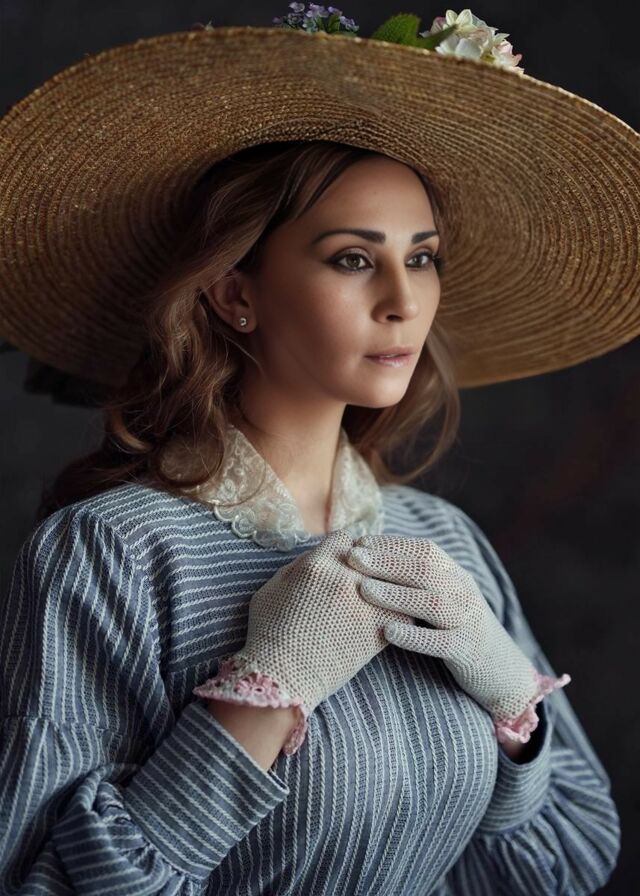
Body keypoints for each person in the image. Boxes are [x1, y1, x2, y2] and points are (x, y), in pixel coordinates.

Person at [0, 5, 636, 894]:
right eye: (352, 259)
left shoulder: (444, 543)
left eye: (423, 257)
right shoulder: (112, 553)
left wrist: (509, 699)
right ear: (233, 295)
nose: (403, 301)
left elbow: (566, 862)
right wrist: (260, 694)